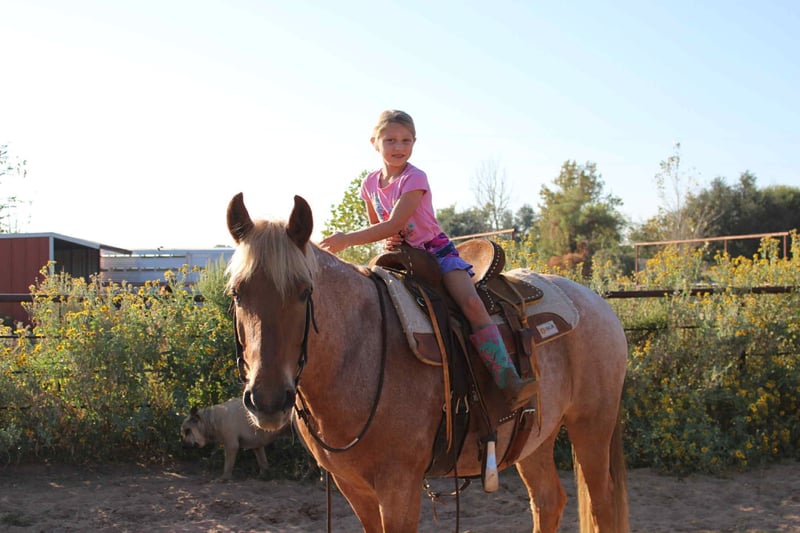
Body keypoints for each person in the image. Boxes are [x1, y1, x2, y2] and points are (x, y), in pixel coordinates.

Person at [319, 110, 536, 409]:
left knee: (471, 303)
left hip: (434, 251)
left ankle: (506, 376)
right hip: (398, 256)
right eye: (390, 140)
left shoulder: (414, 178)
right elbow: (379, 225)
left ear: (414, 142)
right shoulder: (369, 184)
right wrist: (386, 240)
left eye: (406, 140)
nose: (398, 147)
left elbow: (394, 222)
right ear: (374, 143)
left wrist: (347, 239)